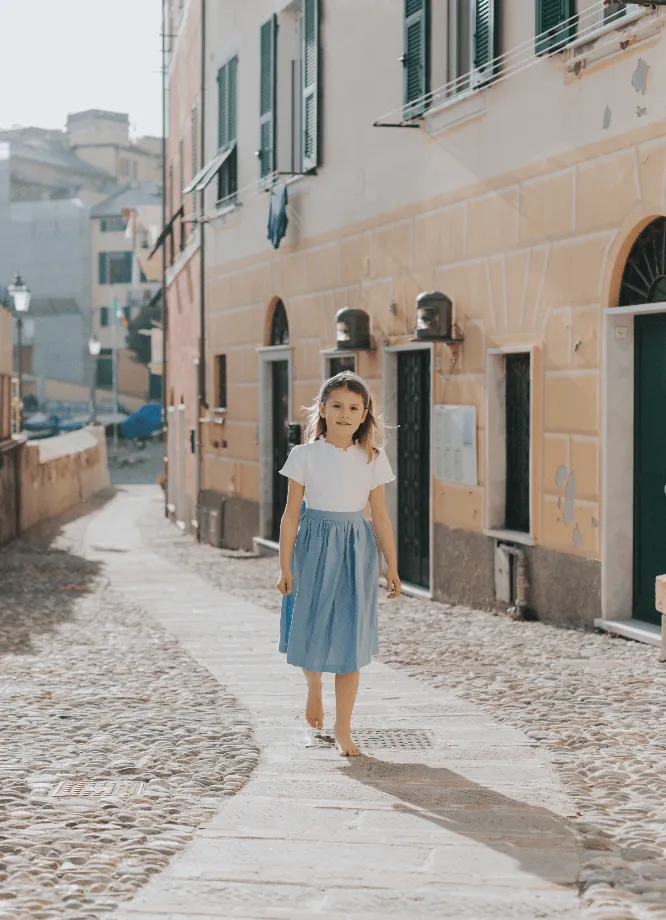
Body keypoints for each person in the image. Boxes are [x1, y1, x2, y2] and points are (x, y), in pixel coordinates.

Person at [276, 372, 401, 757]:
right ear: (323, 410)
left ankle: (343, 728)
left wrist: (391, 567)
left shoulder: (373, 459)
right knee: (310, 629)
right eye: (337, 406)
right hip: (312, 546)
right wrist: (284, 567)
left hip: (355, 550)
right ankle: (313, 687)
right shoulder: (304, 456)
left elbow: (380, 516)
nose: (345, 414)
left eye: (354, 408)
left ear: (365, 415)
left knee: (350, 640)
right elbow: (290, 514)